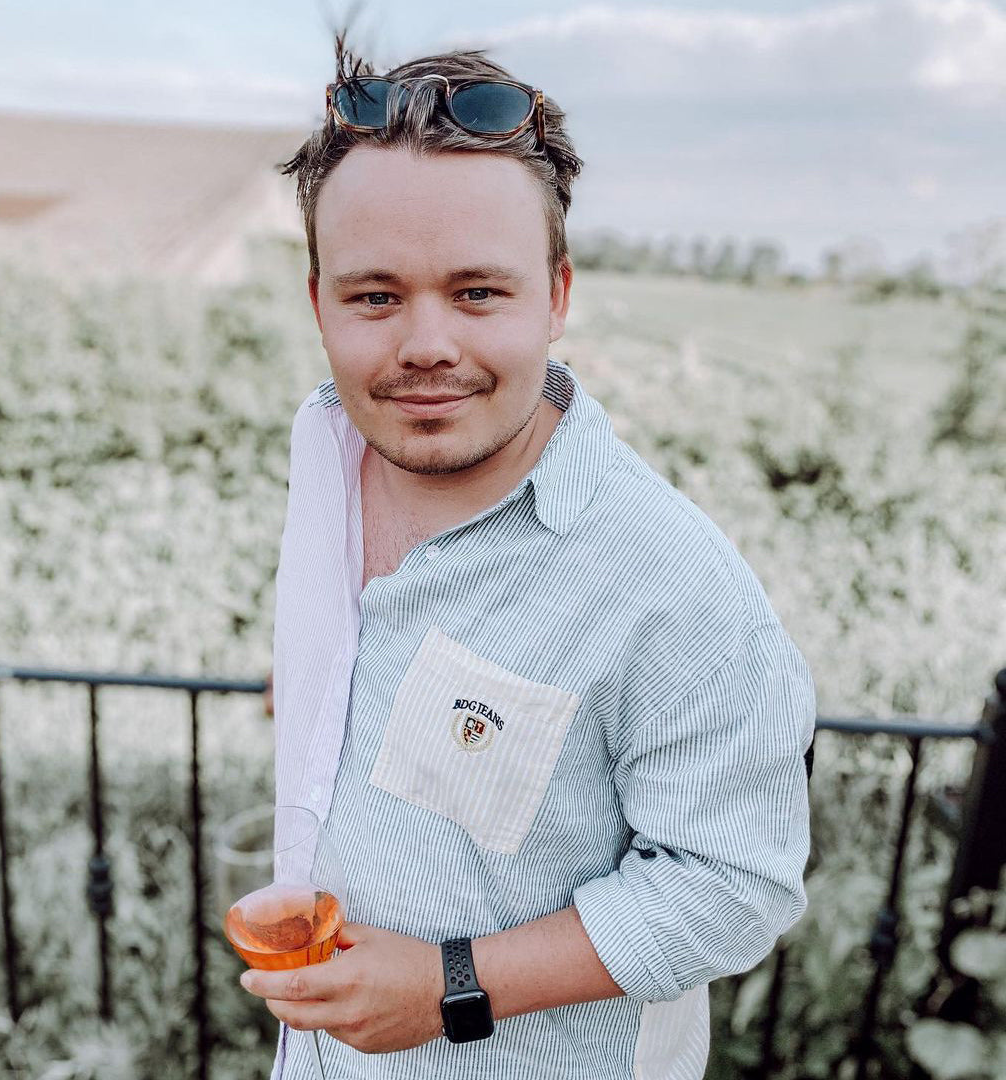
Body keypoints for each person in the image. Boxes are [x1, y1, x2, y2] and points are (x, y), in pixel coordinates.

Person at [242, 30, 816, 1080]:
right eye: (376, 296)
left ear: (556, 295)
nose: (424, 344)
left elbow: (736, 886)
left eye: (476, 293)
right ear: (318, 300)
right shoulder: (323, 453)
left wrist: (450, 986)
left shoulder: (670, 579)